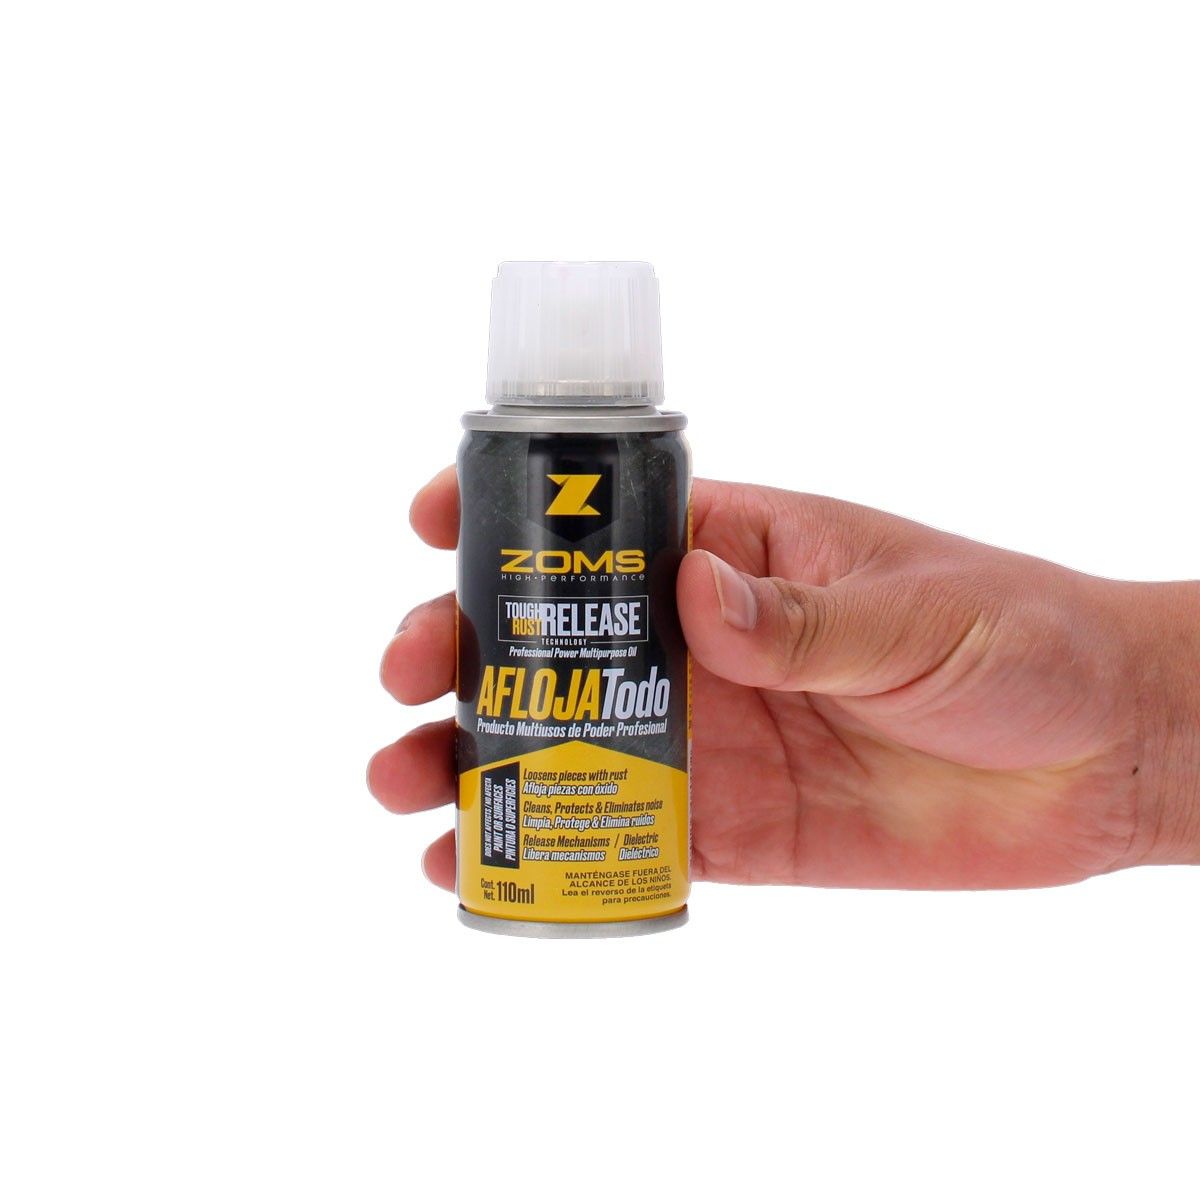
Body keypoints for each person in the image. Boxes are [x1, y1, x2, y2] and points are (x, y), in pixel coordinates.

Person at [368, 468, 1199, 888]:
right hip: (546, 837)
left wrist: (1144, 719)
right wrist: (1146, 733)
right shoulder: (507, 457)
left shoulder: (640, 457)